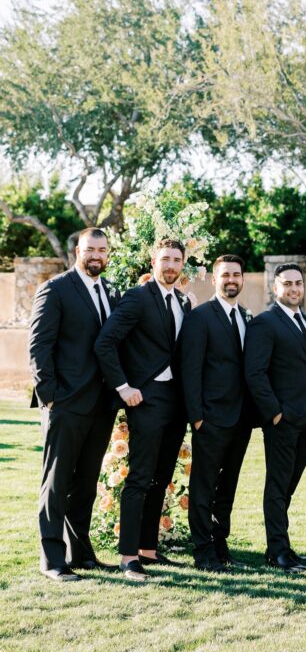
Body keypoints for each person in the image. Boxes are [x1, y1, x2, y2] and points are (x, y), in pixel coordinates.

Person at [95, 238, 191, 581]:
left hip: (176, 401)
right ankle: (127, 557)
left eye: (176, 260)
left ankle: (149, 550)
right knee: (139, 477)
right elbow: (105, 342)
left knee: (161, 478)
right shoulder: (137, 297)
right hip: (145, 398)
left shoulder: (183, 301)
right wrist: (124, 387)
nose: (170, 265)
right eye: (165, 258)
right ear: (154, 260)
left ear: (183, 265)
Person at [29, 227, 120, 581]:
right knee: (56, 482)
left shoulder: (110, 292)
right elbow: (38, 347)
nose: (96, 255)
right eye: (90, 249)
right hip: (65, 403)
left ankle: (80, 553)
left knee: (85, 485)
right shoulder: (55, 289)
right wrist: (50, 395)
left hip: (100, 405)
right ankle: (52, 559)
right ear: (77, 251)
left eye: (102, 249)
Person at [244, 262, 306, 574]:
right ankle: (278, 552)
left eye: (297, 284)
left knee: (287, 486)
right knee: (277, 486)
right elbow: (255, 372)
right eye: (287, 284)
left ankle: (281, 546)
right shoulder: (265, 323)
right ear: (275, 288)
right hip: (282, 421)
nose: (293, 289)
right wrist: (274, 413)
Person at [181, 254, 254, 572]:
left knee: (228, 486)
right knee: (203, 485)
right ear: (214, 279)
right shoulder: (200, 317)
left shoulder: (247, 317)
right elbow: (190, 369)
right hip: (210, 417)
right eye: (225, 275)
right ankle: (202, 550)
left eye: (236, 275)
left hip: (241, 419)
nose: (231, 280)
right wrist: (196, 415)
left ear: (242, 279)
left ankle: (221, 543)